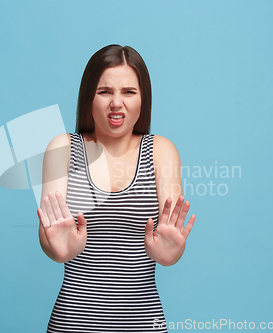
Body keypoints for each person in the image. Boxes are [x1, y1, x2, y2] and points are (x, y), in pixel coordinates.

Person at [37, 44, 196, 332]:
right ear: (89, 97)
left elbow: (169, 247)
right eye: (105, 91)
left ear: (143, 99)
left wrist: (171, 254)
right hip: (74, 323)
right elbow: (48, 240)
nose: (116, 103)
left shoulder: (161, 151)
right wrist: (56, 247)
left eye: (128, 92)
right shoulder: (62, 148)